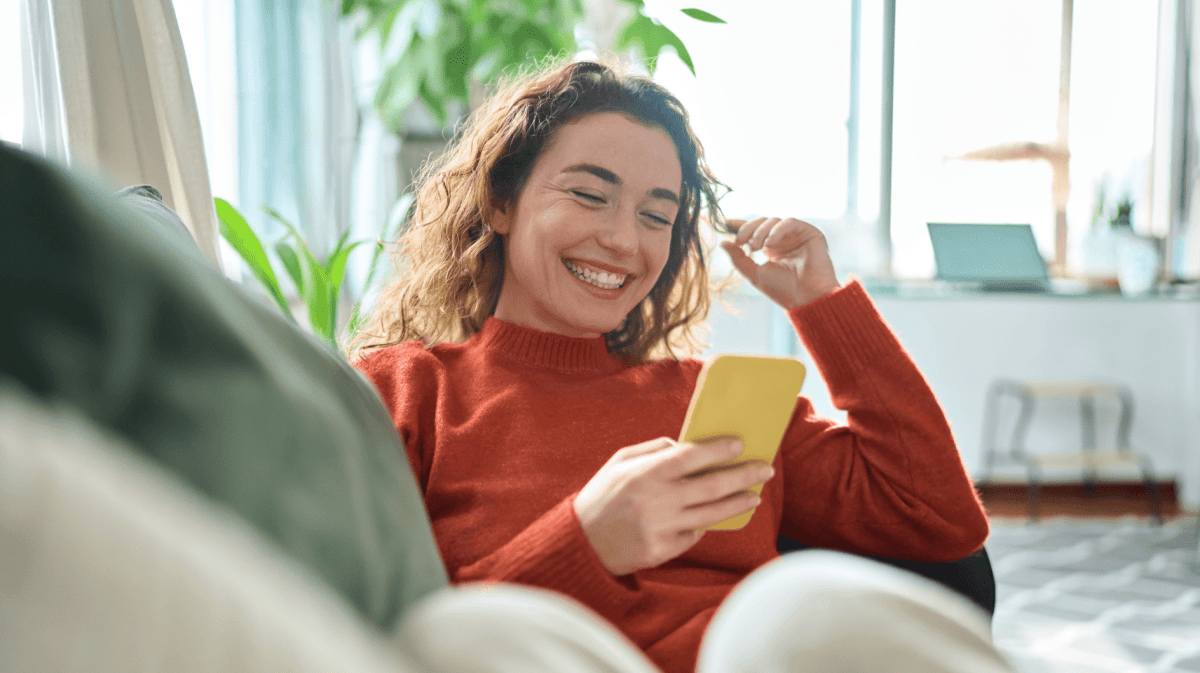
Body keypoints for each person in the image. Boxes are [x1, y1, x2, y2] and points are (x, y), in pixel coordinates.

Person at [350, 57, 1014, 673]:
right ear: (500, 200)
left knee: (791, 606)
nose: (622, 239)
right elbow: (374, 629)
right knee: (452, 632)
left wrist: (825, 308)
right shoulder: (406, 391)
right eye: (589, 194)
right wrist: (586, 542)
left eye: (656, 215)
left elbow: (939, 520)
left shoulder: (712, 402)